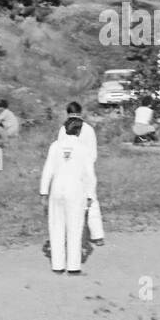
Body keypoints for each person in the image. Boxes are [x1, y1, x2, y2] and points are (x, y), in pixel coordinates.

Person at [40, 117, 97, 275]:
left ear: (65, 129)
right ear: (79, 131)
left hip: (57, 190)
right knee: (75, 228)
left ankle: (57, 265)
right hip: (76, 190)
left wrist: (43, 192)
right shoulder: (83, 148)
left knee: (56, 226)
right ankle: (73, 266)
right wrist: (90, 194)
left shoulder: (55, 146)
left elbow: (48, 170)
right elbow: (89, 175)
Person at [54, 102, 105, 247]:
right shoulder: (88, 129)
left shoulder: (64, 129)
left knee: (75, 202)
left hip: (72, 171)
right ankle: (97, 236)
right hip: (85, 170)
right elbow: (93, 153)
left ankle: (72, 234)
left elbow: (60, 151)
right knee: (91, 202)